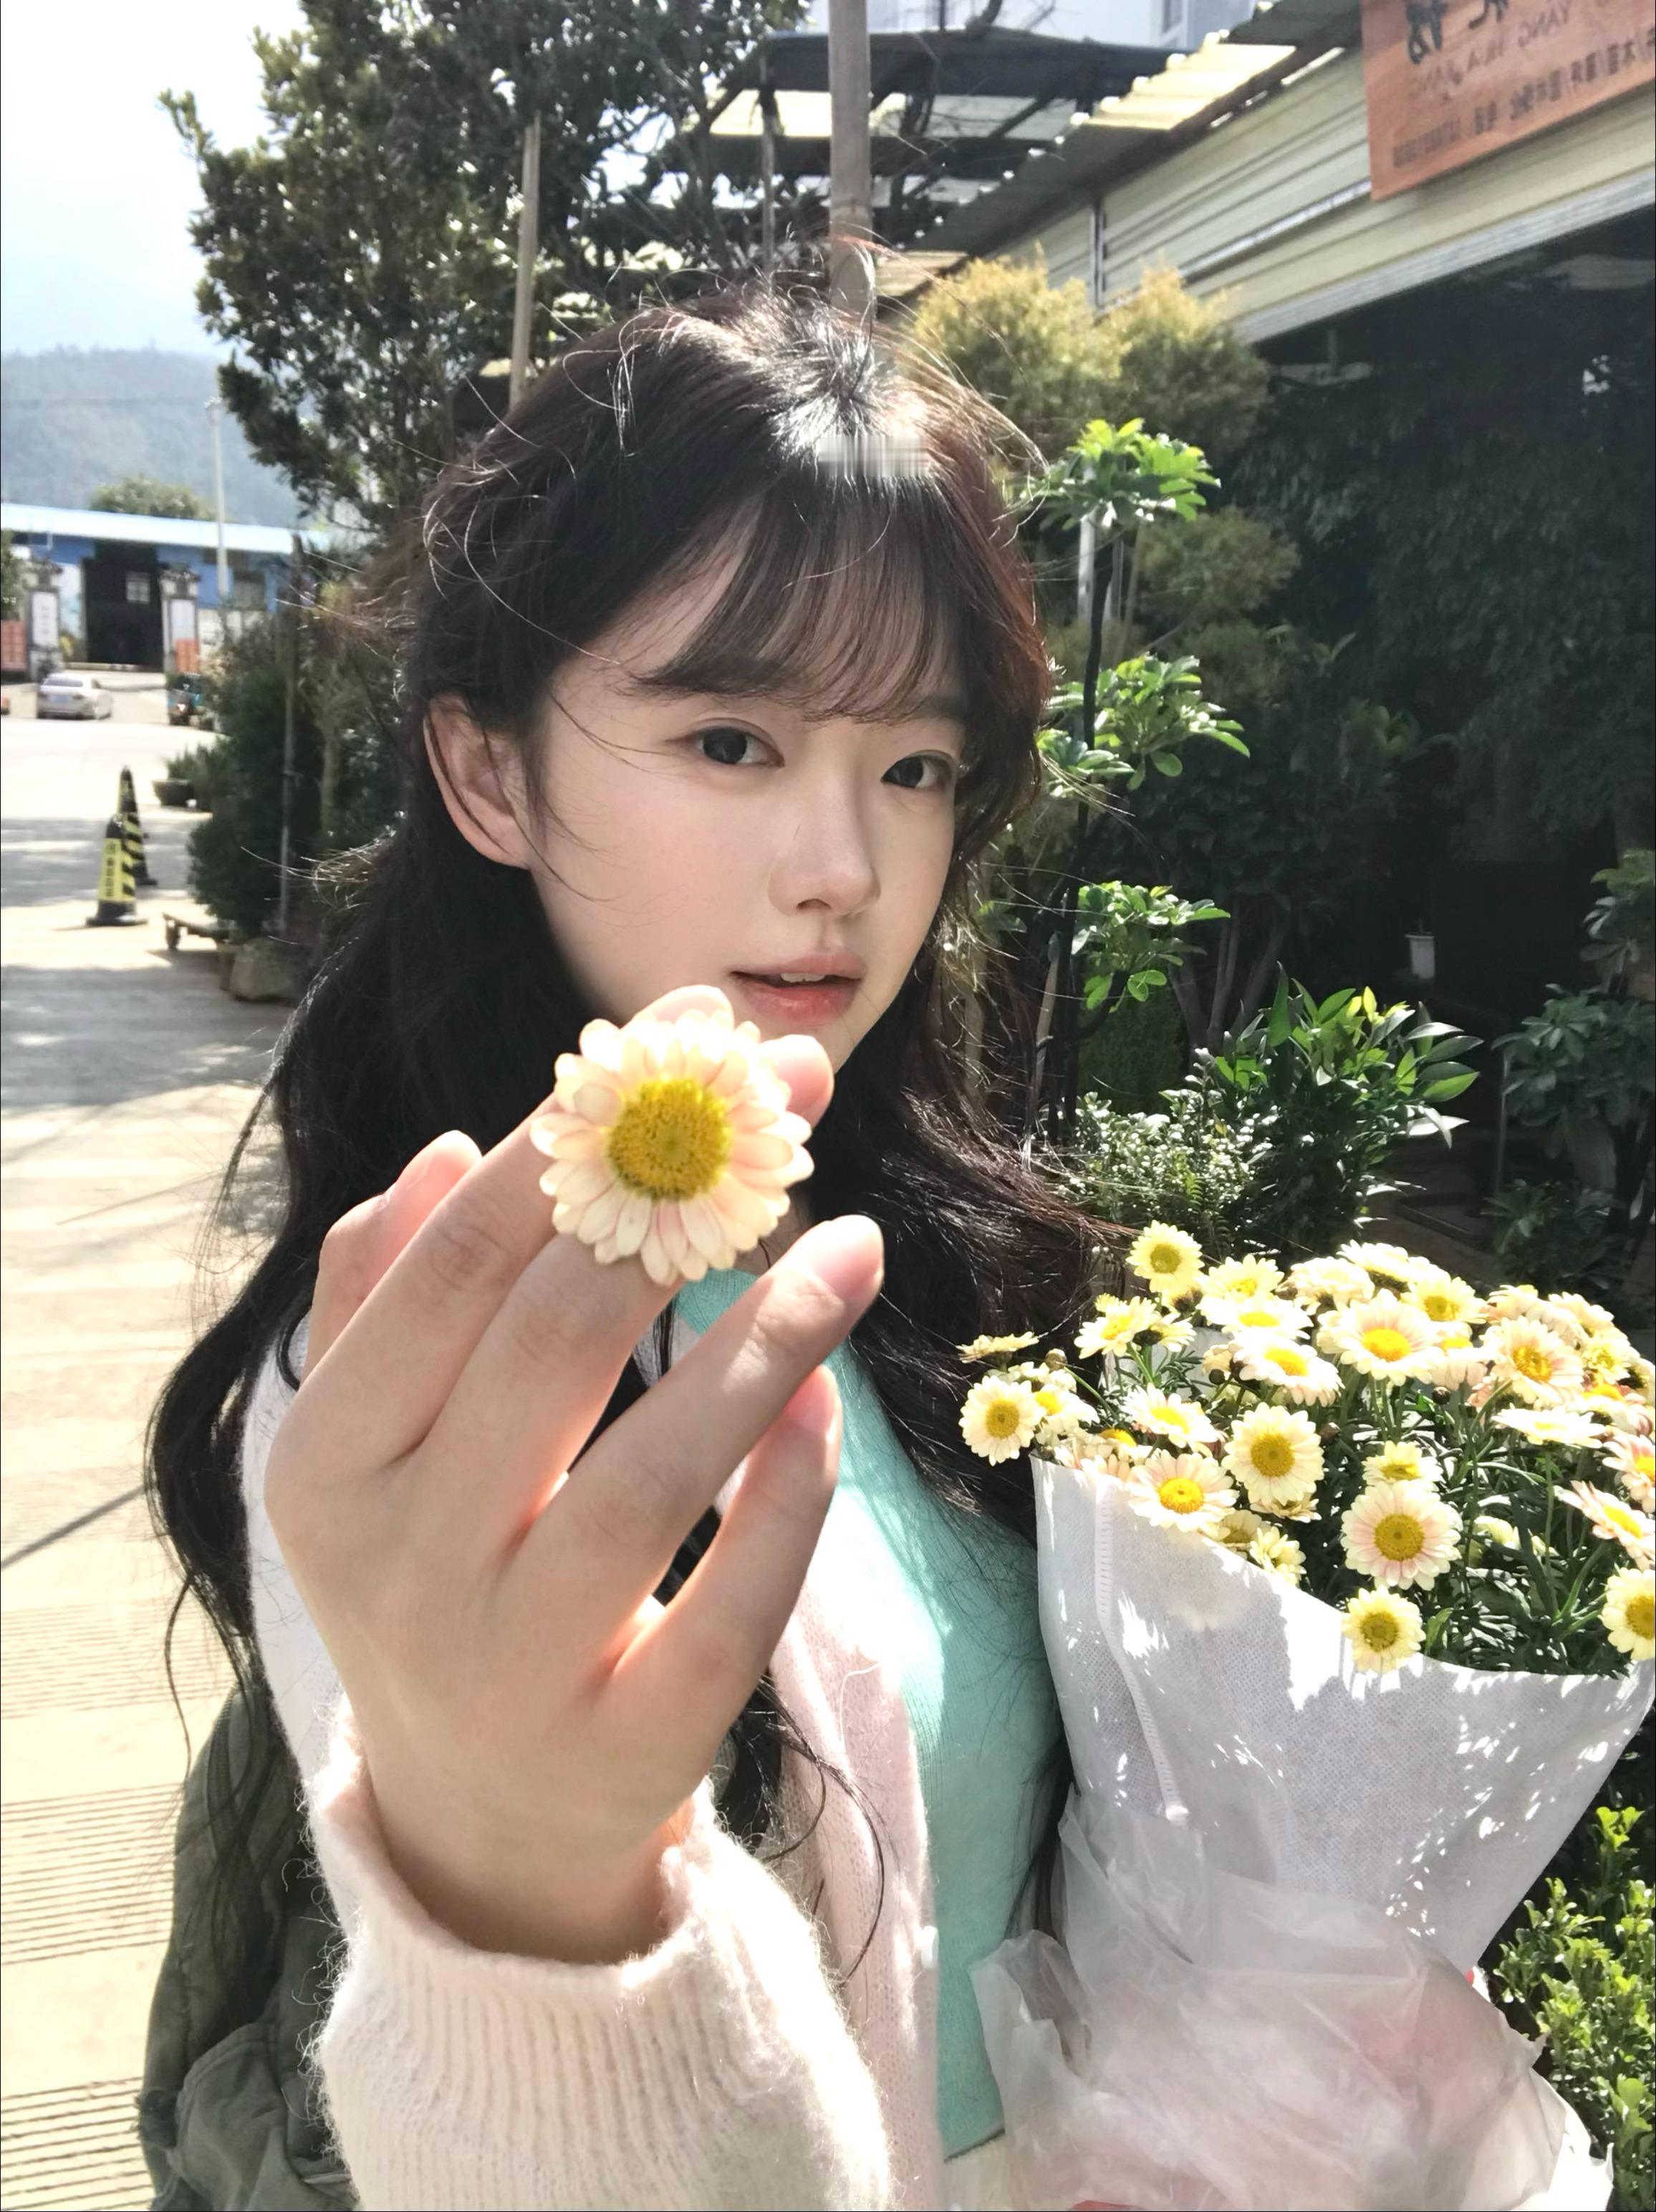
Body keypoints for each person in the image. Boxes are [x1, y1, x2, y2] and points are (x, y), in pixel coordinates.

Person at [141, 276, 1107, 2211]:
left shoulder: (943, 1264)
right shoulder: (399, 1373)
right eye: (732, 740)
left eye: (914, 767)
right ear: (491, 774)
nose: (845, 867)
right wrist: (526, 1910)